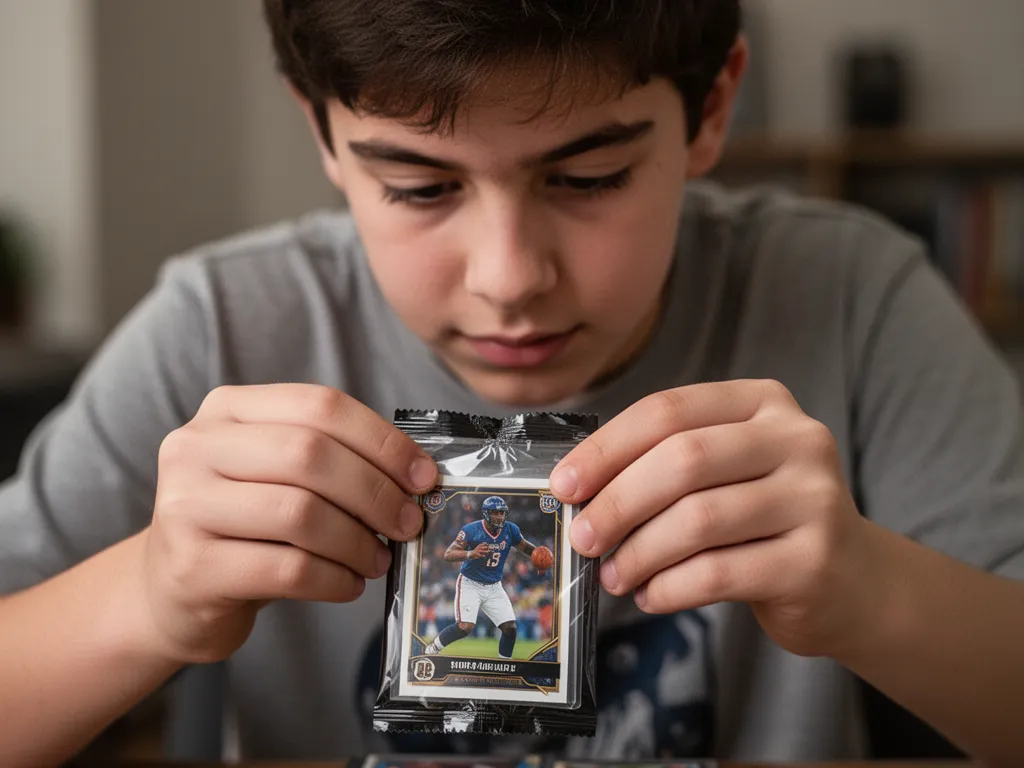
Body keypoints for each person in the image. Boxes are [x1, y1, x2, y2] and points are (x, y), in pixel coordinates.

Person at [0, 0, 1023, 765]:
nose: (508, 279)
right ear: (320, 132)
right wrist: (143, 598)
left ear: (711, 109)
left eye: (587, 179)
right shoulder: (220, 327)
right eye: (419, 187)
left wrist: (874, 591)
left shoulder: (854, 297)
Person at [423, 496, 540, 659]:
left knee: (510, 628)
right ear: (485, 514)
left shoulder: (510, 529)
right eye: (495, 513)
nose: (499, 516)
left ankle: (504, 664)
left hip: (494, 586)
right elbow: (448, 554)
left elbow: (525, 547)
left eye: (501, 513)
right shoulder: (471, 529)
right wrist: (471, 553)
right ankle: (434, 647)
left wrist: (539, 557)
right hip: (470, 583)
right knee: (465, 627)